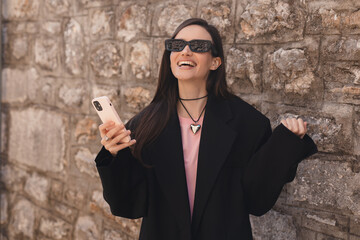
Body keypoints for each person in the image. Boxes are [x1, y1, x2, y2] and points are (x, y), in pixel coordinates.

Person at [94, 18, 318, 240]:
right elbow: (129, 205)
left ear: (215, 62)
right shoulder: (144, 125)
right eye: (177, 45)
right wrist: (114, 156)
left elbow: (256, 200)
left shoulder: (248, 123)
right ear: (169, 57)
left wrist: (285, 144)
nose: (185, 52)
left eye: (198, 46)